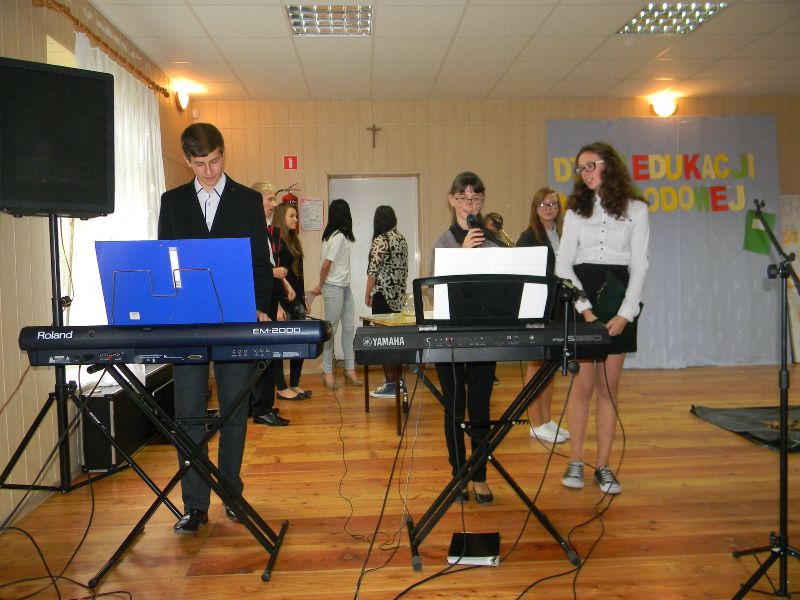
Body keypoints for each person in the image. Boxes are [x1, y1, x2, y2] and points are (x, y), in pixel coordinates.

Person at [158, 122, 272, 532]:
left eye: (215, 161)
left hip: (236, 320)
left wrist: (261, 307)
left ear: (224, 154)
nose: (209, 171)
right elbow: (165, 261)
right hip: (187, 323)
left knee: (234, 411)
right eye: (200, 163)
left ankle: (231, 494)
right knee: (187, 414)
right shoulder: (172, 202)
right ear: (187, 160)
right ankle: (194, 505)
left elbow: (260, 262)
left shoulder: (248, 200)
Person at [556, 141, 649, 495]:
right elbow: (563, 265)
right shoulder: (574, 212)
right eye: (580, 168)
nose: (585, 173)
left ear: (608, 164)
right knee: (582, 387)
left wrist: (625, 313)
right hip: (583, 297)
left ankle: (604, 466)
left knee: (609, 389)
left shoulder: (637, 209)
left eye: (590, 165)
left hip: (619, 296)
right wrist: (585, 308)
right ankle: (575, 461)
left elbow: (640, 265)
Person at [432, 171, 498, 505]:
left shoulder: (493, 242)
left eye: (475, 198)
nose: (469, 204)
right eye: (462, 198)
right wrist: (461, 252)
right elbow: (438, 289)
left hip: (485, 335)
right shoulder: (444, 242)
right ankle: (459, 474)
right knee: (454, 408)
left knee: (481, 408)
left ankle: (480, 476)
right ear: (451, 200)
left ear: (481, 202)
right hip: (450, 337)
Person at [517, 187, 569, 444]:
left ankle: (547, 420)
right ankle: (535, 423)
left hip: (559, 307)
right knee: (537, 365)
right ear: (535, 209)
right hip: (538, 308)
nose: (549, 209)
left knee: (551, 365)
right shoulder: (528, 237)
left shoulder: (562, 234)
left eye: (553, 204)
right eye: (543, 205)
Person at [248, 181, 292, 427]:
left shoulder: (266, 230)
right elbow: (254, 269)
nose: (274, 204)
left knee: (265, 355)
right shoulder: (252, 231)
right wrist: (272, 274)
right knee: (263, 355)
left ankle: (259, 405)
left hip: (267, 300)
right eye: (269, 199)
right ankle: (261, 409)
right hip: (258, 303)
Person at [311, 198, 362, 389]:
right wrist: (321, 284)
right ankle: (327, 371)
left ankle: (349, 368)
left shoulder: (335, 236)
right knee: (330, 330)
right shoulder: (337, 237)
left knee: (348, 328)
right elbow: (326, 265)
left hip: (344, 287)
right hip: (333, 287)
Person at [365, 205, 409, 398]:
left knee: (384, 342)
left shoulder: (381, 240)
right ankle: (398, 381)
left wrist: (367, 293)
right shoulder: (402, 239)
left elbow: (373, 271)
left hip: (383, 297)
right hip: (398, 299)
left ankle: (391, 384)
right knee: (396, 342)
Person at [273, 200, 312, 399]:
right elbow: (274, 274)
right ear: (282, 217)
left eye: (296, 216)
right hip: (282, 299)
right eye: (291, 216)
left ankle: (295, 384)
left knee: (299, 343)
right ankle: (281, 387)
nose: (296, 219)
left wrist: (304, 300)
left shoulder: (294, 240)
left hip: (296, 301)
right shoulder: (276, 241)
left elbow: (299, 274)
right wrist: (277, 305)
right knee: (279, 346)